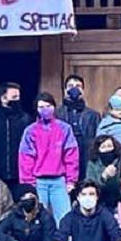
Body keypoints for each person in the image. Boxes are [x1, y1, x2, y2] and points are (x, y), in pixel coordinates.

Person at [18, 91, 81, 220]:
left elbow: (71, 155)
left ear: (54, 107)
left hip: (59, 181)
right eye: (41, 107)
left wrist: (71, 181)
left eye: (48, 106)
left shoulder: (65, 128)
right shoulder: (30, 131)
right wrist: (28, 183)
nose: (45, 110)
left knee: (65, 218)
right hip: (38, 182)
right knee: (38, 218)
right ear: (36, 109)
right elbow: (25, 159)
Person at [0, 82, 33, 194]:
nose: (17, 100)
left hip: (19, 173)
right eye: (14, 97)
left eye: (18, 97)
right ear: (3, 98)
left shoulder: (24, 119)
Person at [59, 74, 101, 160]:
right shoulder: (57, 114)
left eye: (78, 86)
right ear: (65, 90)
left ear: (83, 90)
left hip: (86, 155)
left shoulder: (93, 115)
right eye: (70, 86)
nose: (74, 89)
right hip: (63, 154)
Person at [84, 134, 121, 207]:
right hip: (101, 201)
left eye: (109, 146)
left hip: (120, 200)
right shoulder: (92, 164)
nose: (107, 149)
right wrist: (103, 177)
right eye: (103, 147)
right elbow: (90, 184)